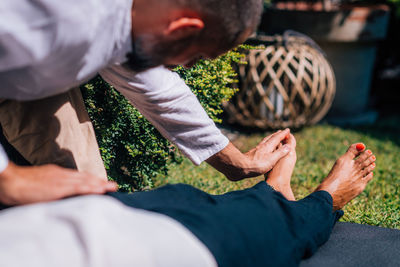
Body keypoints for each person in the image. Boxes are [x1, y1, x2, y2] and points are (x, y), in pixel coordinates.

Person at [0, 0, 296, 206]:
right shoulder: (61, 17)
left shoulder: (133, 19)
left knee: (86, 197)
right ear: (181, 27)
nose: (188, 66)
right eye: (196, 57)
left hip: (28, 73)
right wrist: (8, 179)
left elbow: (159, 89)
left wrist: (235, 162)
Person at [0, 139, 377, 266]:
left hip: (84, 219)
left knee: (181, 197)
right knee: (273, 232)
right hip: (143, 248)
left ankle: (273, 194)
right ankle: (326, 199)